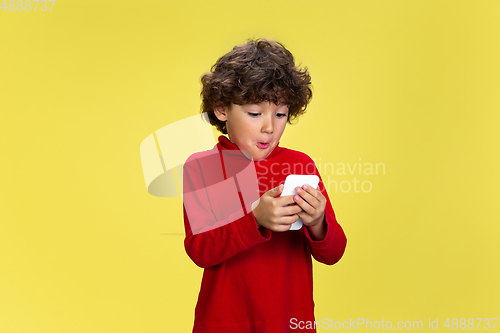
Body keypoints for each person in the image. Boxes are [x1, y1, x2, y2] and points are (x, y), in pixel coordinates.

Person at [182, 38, 347, 333]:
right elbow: (200, 250)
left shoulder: (300, 166)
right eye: (255, 114)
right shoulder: (201, 168)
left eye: (281, 114)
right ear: (221, 109)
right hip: (223, 323)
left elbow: (333, 253)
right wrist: (255, 219)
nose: (270, 127)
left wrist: (318, 221)